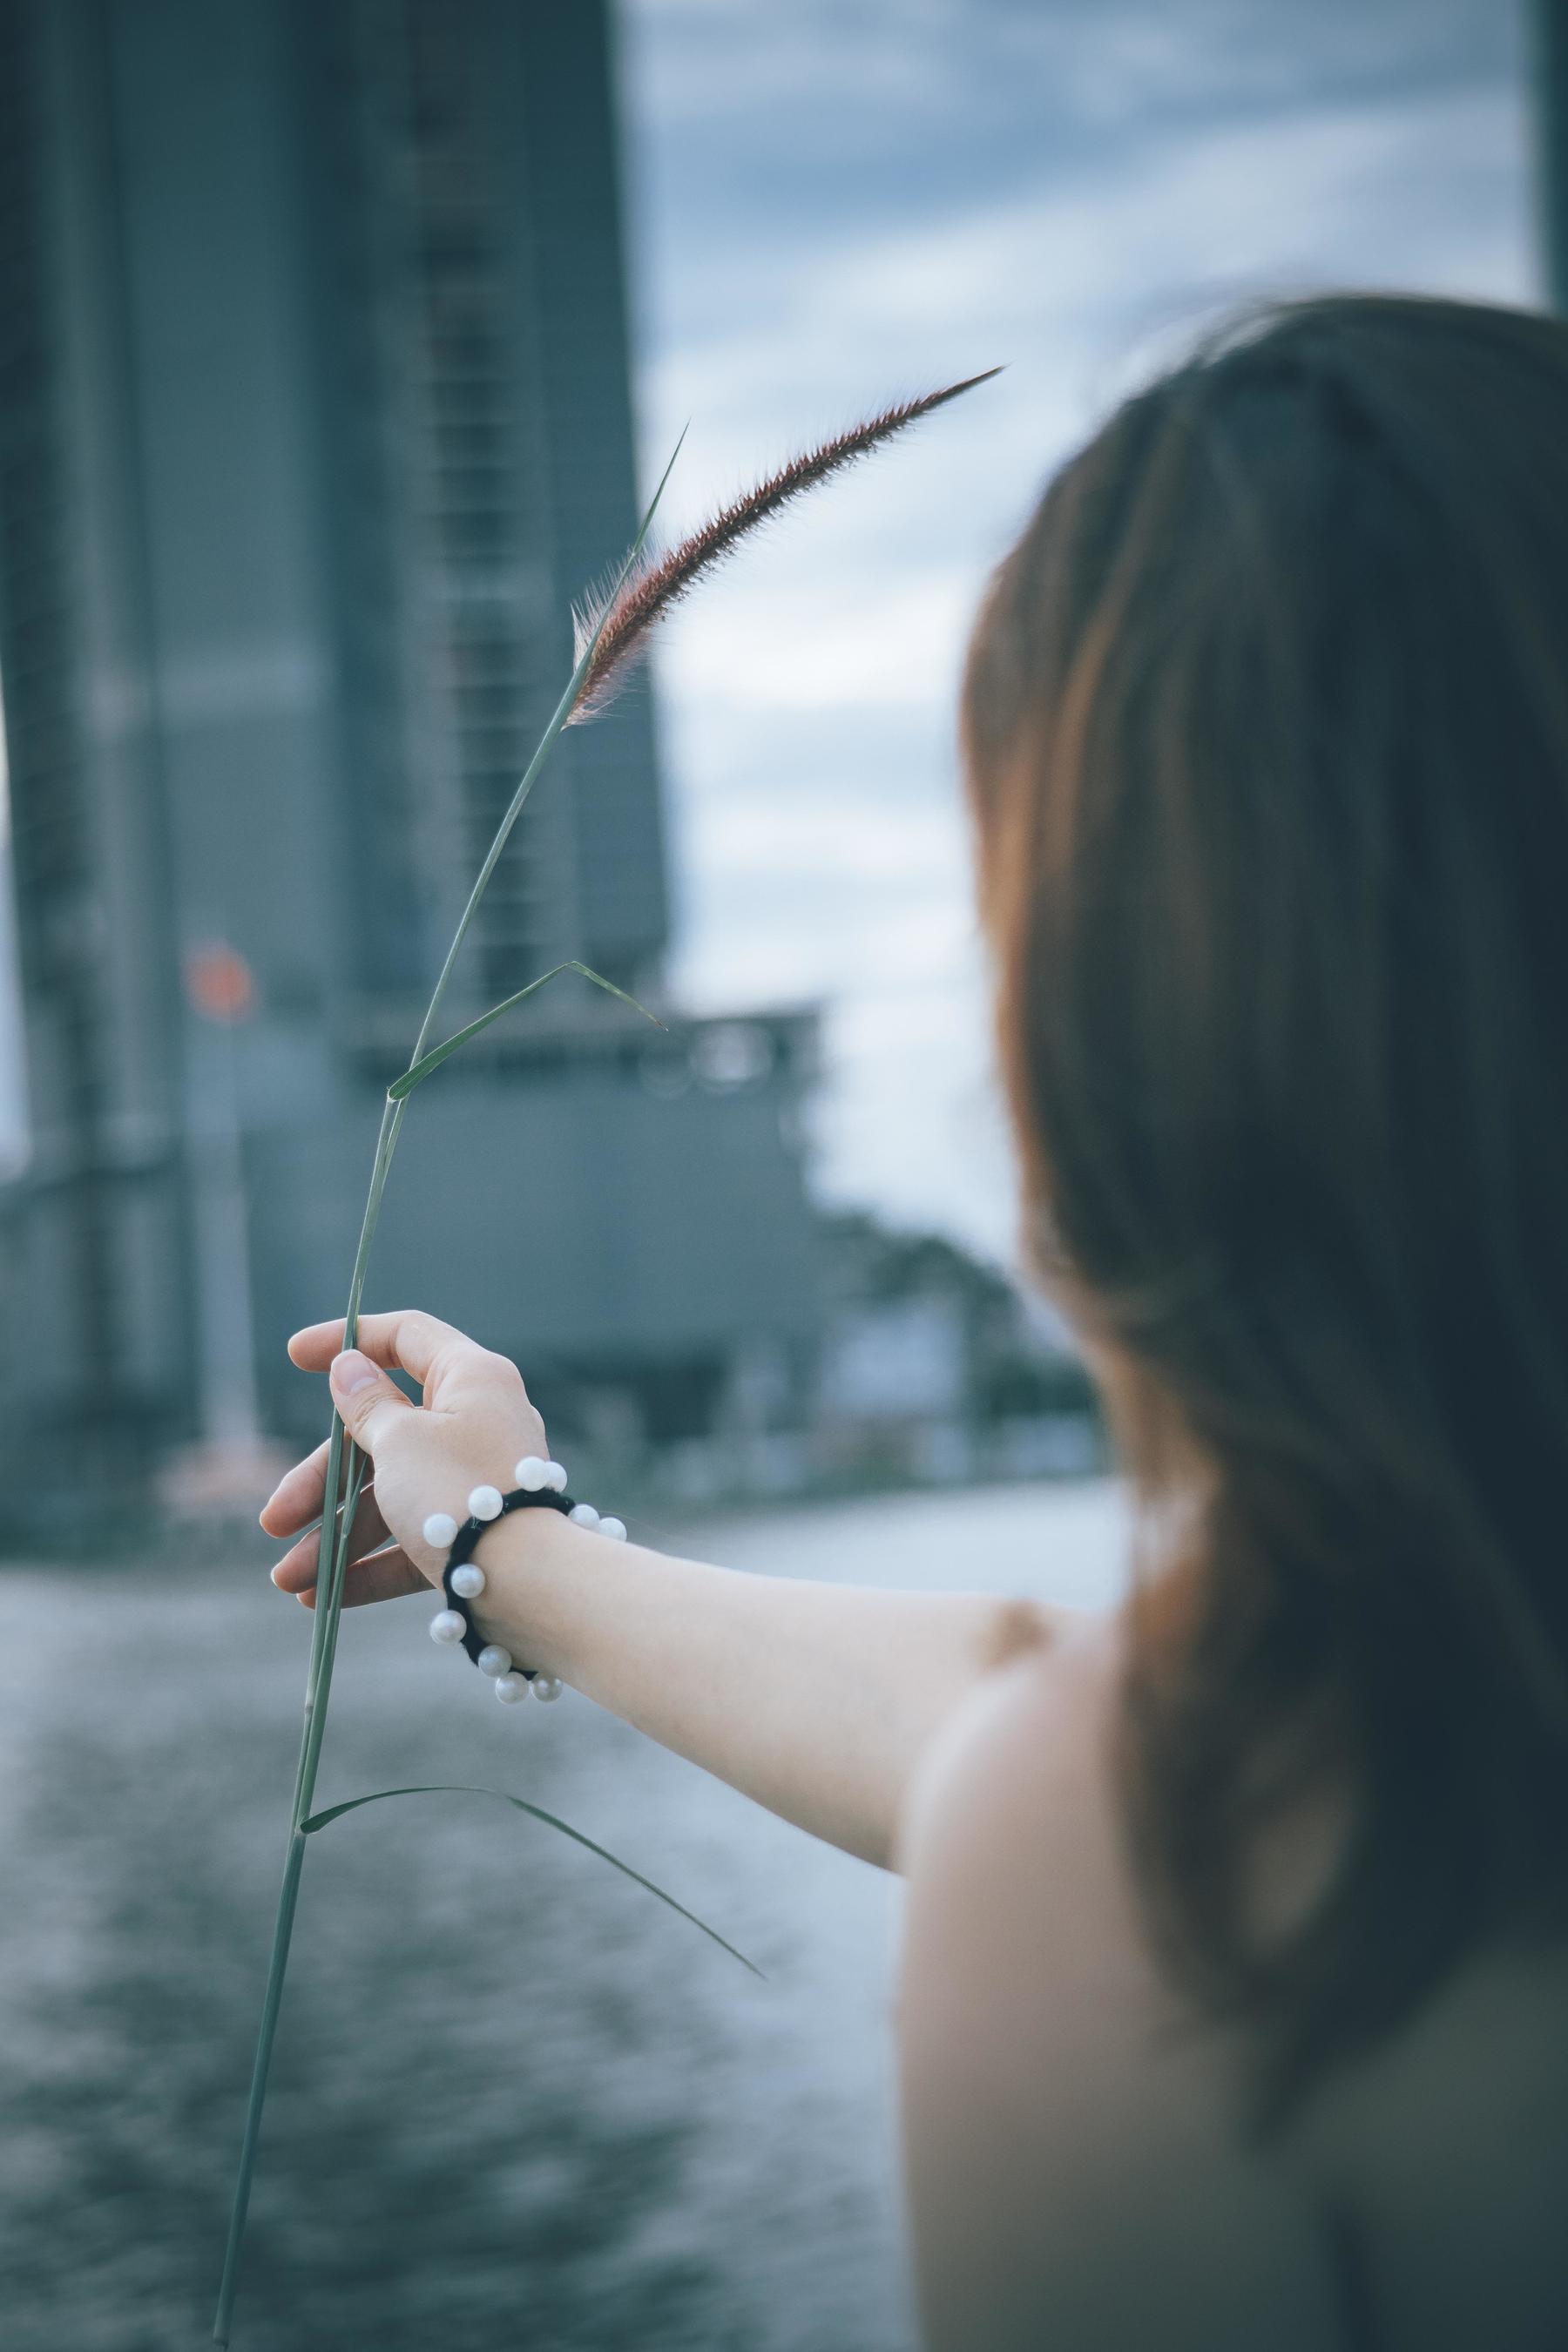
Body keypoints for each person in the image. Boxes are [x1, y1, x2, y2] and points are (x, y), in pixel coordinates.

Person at [263, 294, 1568, 2350]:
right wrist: (508, 1547)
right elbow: (1043, 1717)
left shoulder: (1196, 1890)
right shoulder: (1328, 1758)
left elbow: (1090, 1782)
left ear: (1144, 1010)